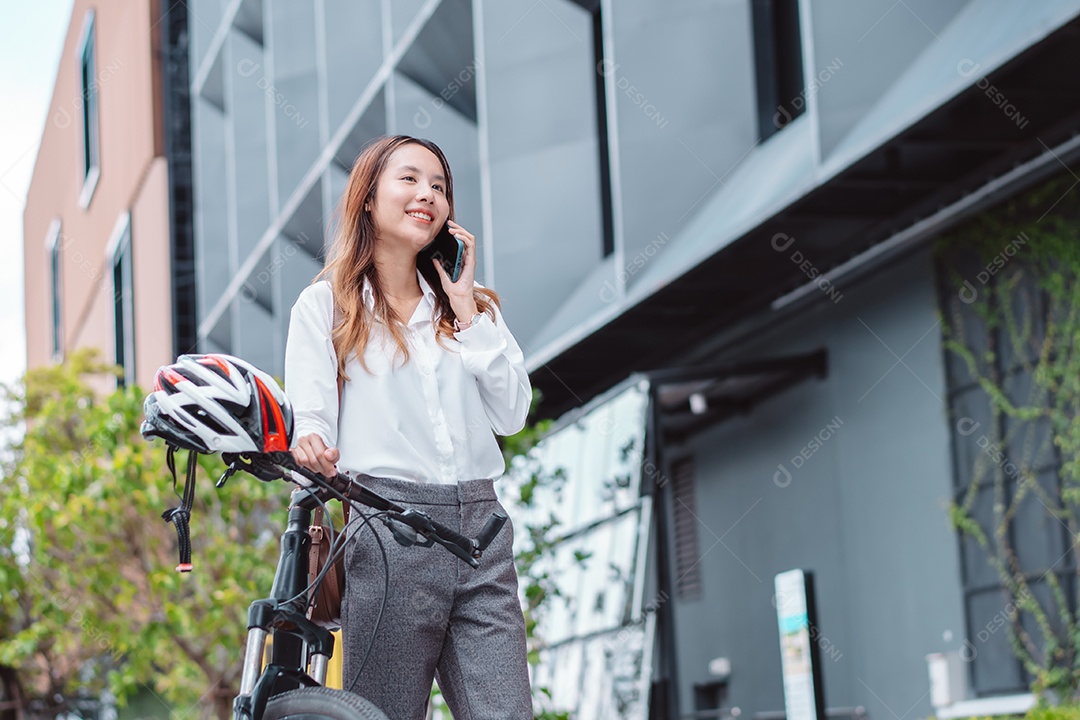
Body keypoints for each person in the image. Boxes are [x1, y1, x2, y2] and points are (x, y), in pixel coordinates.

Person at [283, 135, 533, 719]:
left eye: (440, 187)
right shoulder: (326, 307)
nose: (428, 195)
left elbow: (512, 414)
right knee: (381, 715)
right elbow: (311, 420)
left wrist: (466, 305)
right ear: (367, 198)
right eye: (410, 179)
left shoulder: (471, 310)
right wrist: (309, 444)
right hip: (387, 529)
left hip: (482, 531)